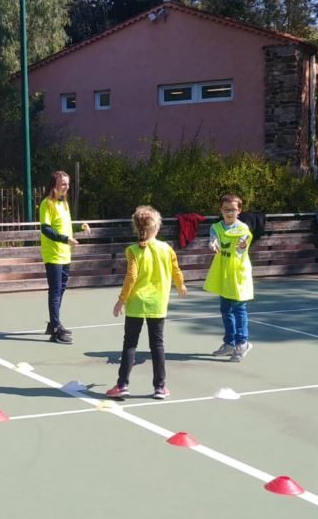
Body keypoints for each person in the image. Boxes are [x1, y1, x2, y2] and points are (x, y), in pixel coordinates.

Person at [106, 205, 187, 401]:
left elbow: (131, 276)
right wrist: (181, 285)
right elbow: (176, 270)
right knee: (157, 345)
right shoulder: (166, 249)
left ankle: (122, 385)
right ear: (157, 227)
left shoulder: (133, 250)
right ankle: (160, 387)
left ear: (136, 228)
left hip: (136, 303)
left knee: (130, 344)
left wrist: (121, 300)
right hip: (157, 303)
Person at [39, 170, 88, 344]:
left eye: (68, 184)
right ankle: (55, 331)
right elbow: (46, 229)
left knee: (61, 290)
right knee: (55, 291)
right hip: (53, 255)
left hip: (66, 255)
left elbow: (64, 230)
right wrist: (65, 239)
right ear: (54, 186)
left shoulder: (64, 204)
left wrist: (79, 230)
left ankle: (54, 322)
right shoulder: (47, 204)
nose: (67, 187)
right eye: (63, 184)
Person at [204, 193, 254, 362]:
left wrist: (242, 245)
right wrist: (213, 243)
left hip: (238, 275)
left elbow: (243, 244)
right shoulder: (216, 227)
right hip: (223, 275)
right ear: (221, 210)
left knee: (239, 309)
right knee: (225, 310)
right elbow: (213, 239)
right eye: (226, 209)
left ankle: (242, 343)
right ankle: (229, 343)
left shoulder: (243, 229)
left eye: (232, 209)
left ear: (239, 210)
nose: (229, 212)